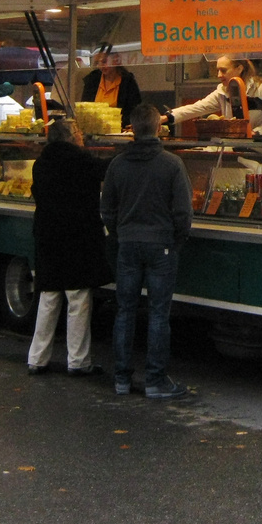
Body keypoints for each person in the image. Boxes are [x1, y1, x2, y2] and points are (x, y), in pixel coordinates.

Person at [101, 102, 193, 399]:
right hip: (161, 246)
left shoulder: (117, 164)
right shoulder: (171, 164)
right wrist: (176, 241)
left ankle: (122, 379)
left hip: (127, 245)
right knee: (157, 314)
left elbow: (107, 208)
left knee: (125, 312)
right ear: (158, 128)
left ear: (132, 128)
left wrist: (119, 233)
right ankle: (155, 380)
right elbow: (183, 213)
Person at [27, 118, 106, 376]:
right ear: (71, 137)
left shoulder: (41, 164)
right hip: (77, 237)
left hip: (48, 235)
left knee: (49, 297)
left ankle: (37, 358)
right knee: (78, 299)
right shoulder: (81, 161)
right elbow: (106, 170)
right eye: (79, 133)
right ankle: (78, 361)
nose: (82, 137)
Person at [165, 57, 262, 137]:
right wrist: (166, 117)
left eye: (223, 70)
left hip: (260, 151)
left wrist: (255, 133)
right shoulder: (222, 91)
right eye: (217, 70)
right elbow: (197, 108)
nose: (219, 75)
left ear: (239, 69)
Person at [79, 45, 142, 128]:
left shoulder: (128, 82)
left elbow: (134, 112)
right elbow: (85, 108)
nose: (101, 66)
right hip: (94, 129)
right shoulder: (92, 80)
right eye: (98, 63)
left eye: (104, 61)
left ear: (116, 60)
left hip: (120, 130)